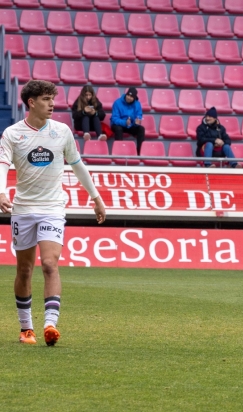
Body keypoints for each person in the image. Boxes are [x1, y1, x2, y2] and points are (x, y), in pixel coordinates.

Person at [0, 80, 106, 346]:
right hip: (23, 208)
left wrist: (96, 197)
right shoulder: (12, 134)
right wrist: (1, 192)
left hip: (52, 208)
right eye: (46, 99)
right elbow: (2, 165)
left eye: (53, 99)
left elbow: (77, 164)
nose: (52, 104)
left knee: (49, 264)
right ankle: (26, 329)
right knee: (24, 270)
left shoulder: (62, 131)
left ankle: (50, 325)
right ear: (32, 102)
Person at [110, 87, 145, 153]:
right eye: (128, 95)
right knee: (118, 129)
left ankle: (140, 152)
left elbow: (139, 115)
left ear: (134, 98)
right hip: (119, 124)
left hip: (131, 124)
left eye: (131, 96)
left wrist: (137, 122)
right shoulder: (117, 102)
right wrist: (124, 122)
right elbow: (114, 118)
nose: (129, 97)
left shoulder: (137, 104)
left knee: (141, 129)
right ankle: (118, 151)